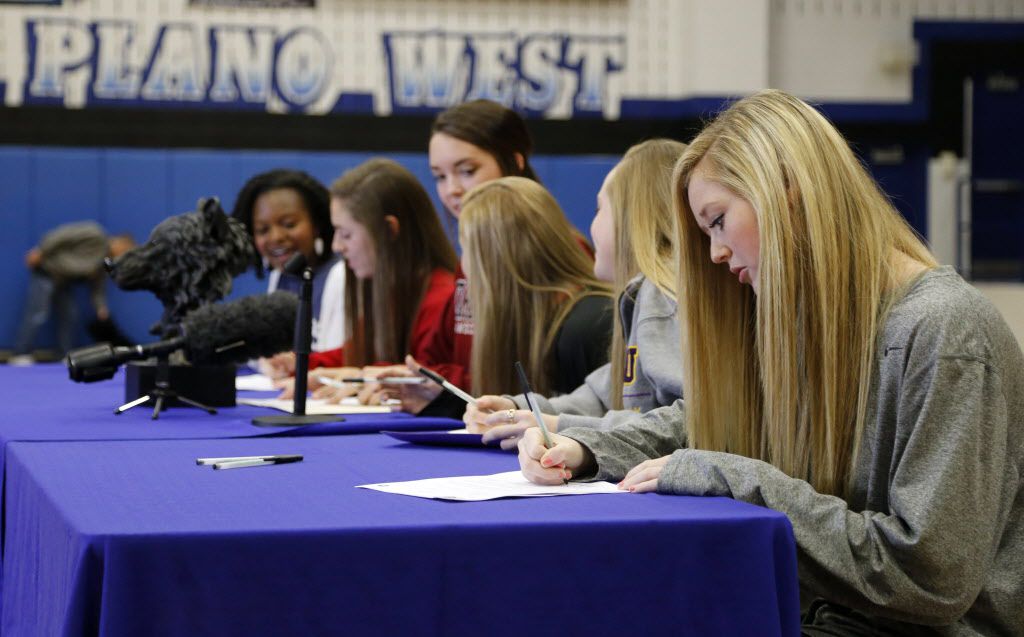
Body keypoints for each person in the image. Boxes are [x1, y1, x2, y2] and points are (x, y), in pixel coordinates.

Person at [519, 90, 1024, 634]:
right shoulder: (818, 326)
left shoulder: (945, 331)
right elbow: (708, 418)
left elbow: (928, 579)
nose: (714, 253)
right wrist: (586, 447)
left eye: (717, 221)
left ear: (786, 190)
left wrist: (731, 478)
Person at [463, 139, 686, 449]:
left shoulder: (660, 296)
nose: (589, 226)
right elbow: (601, 395)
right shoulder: (642, 295)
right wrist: (524, 409)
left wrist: (557, 425)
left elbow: (684, 422)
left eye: (599, 209)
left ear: (632, 219)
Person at [395, 99, 592, 414]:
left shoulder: (556, 252)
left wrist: (448, 383)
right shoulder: (468, 259)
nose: (452, 189)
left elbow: (542, 377)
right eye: (439, 176)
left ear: (514, 163)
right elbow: (435, 360)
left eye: (467, 171)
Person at [277, 158, 458, 402]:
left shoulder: (441, 298)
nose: (337, 246)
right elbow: (359, 355)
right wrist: (298, 363)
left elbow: (423, 377)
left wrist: (363, 377)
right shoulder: (392, 291)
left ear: (389, 230)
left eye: (346, 234)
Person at [458, 176, 614, 400]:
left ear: (495, 262)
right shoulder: (540, 323)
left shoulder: (590, 325)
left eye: (466, 250)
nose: (463, 265)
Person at [231, 169, 345, 355]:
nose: (275, 237)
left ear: (317, 224)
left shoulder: (340, 275)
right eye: (263, 230)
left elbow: (335, 360)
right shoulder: (280, 276)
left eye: (289, 224)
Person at [10, 221, 134, 365]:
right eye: (125, 251)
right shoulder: (95, 233)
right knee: (38, 313)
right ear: (120, 242)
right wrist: (41, 251)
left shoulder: (104, 263)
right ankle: (21, 352)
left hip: (65, 283)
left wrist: (100, 307)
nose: (122, 256)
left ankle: (64, 354)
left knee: (69, 316)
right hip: (46, 273)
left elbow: (97, 289)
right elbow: (61, 236)